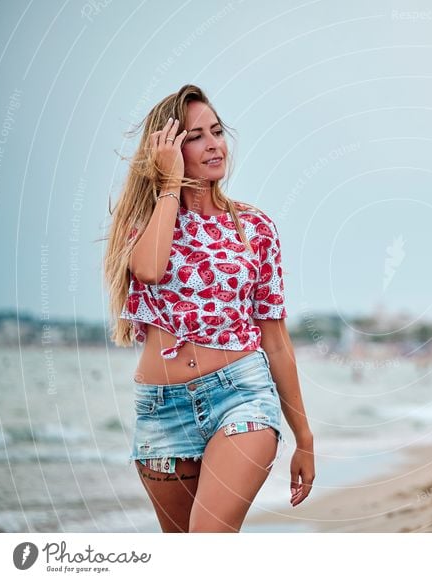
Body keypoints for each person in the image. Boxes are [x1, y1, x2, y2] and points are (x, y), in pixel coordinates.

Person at [103, 84, 315, 532]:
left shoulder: (256, 227)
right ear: (169, 150)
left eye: (216, 131)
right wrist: (168, 188)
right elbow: (148, 270)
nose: (214, 143)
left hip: (242, 394)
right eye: (195, 136)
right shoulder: (147, 222)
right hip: (162, 410)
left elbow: (275, 340)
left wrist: (305, 437)